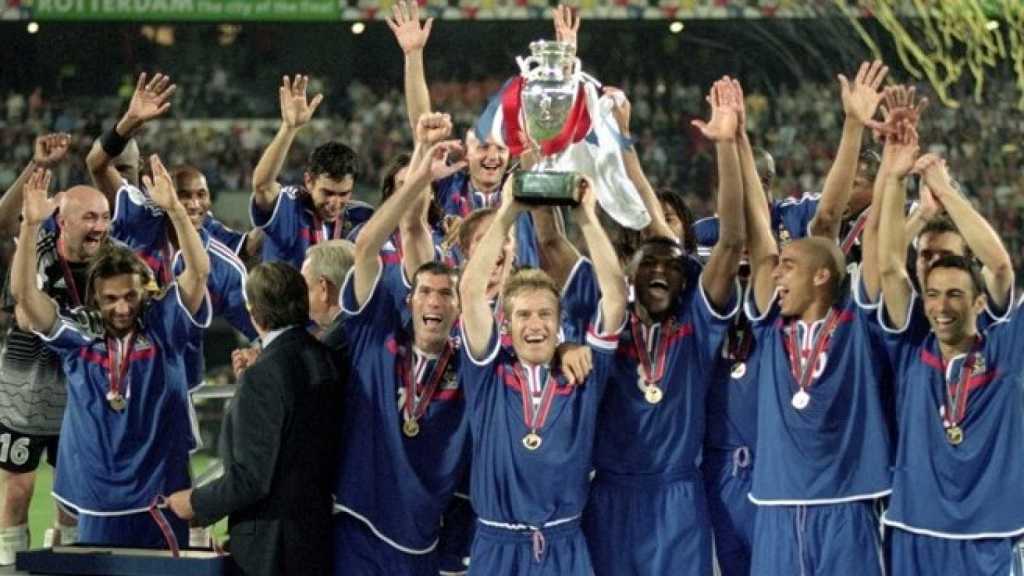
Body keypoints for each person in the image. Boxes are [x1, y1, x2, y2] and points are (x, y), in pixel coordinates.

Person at [583, 77, 744, 576]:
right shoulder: (609, 324)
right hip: (610, 494)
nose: (659, 271)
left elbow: (731, 242)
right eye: (647, 265)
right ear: (629, 274)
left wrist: (726, 146)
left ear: (685, 277)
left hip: (678, 497)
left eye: (671, 267)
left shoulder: (697, 323)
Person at [12, 158, 209, 547]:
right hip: (97, 499)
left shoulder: (163, 326)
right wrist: (31, 226)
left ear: (144, 293)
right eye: (111, 299)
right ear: (95, 299)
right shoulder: (80, 335)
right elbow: (27, 298)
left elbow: (198, 273)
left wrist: (175, 210)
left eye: (131, 296)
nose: (122, 308)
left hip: (159, 496)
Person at [742, 79, 892, 572]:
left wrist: (858, 129)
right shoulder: (769, 328)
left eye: (789, 266)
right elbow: (758, 235)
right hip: (776, 505)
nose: (776, 274)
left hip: (849, 503)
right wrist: (735, 140)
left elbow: (843, 226)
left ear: (823, 275)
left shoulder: (858, 323)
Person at [458, 171, 627, 575]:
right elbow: (470, 291)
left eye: (545, 314)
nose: (535, 325)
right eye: (524, 315)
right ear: (508, 322)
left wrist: (587, 217)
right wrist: (507, 210)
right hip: (497, 545)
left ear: (559, 321)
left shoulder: (584, 372)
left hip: (564, 544)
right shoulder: (488, 374)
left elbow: (615, 296)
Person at [873, 124, 1024, 575]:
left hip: (988, 532)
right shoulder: (910, 346)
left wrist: (945, 190)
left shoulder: (1005, 347)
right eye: (934, 295)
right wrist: (895, 179)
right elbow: (889, 266)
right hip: (914, 528)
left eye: (955, 294)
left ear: (977, 301)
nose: (941, 306)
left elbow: (1000, 266)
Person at [331, 119, 469, 574]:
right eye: (424, 292)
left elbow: (414, 229)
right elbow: (371, 245)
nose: (434, 302)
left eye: (445, 294)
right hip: (360, 523)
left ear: (460, 307)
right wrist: (421, 165)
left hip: (426, 533)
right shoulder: (377, 335)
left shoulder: (469, 362)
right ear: (408, 298)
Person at [167, 262, 341, 576]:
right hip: (316, 537)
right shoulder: (325, 357)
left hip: (270, 549)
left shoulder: (265, 375)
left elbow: (251, 478)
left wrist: (194, 502)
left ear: (254, 313)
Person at [0, 134, 89, 561]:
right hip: (24, 393)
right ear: (61, 220)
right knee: (18, 489)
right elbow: (24, 316)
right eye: (84, 216)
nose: (96, 225)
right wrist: (38, 167)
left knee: (71, 496)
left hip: (77, 395)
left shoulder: (107, 259)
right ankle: (8, 564)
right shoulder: (33, 250)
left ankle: (67, 564)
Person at [85, 73, 255, 261]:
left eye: (123, 169)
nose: (116, 178)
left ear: (139, 165)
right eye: (185, 196)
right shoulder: (125, 210)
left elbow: (246, 246)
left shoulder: (184, 214)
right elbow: (96, 164)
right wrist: (128, 122)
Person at [250, 75, 373, 268]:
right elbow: (262, 186)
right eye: (328, 192)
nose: (335, 202)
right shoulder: (291, 209)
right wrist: (289, 128)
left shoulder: (361, 216)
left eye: (343, 194)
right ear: (309, 181)